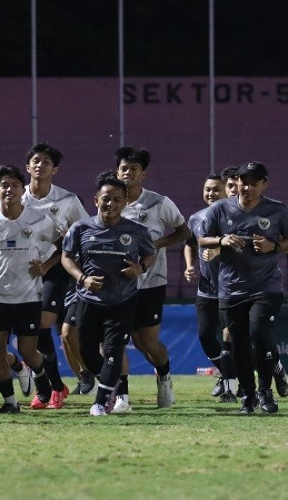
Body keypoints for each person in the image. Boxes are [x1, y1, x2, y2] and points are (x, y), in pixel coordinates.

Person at [199, 161, 288, 414]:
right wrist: (221, 240)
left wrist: (273, 246)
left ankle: (265, 391)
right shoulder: (221, 209)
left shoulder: (277, 210)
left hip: (266, 286)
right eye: (244, 182)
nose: (247, 188)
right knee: (239, 342)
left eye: (254, 183)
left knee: (259, 332)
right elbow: (201, 239)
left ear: (264, 184)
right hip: (231, 288)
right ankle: (249, 396)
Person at [61, 174, 156, 416]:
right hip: (88, 300)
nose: (111, 204)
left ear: (125, 202)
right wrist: (83, 279)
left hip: (123, 300)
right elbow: (66, 257)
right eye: (106, 199)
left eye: (117, 199)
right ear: (96, 200)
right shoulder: (81, 228)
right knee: (86, 351)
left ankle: (100, 402)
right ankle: (110, 386)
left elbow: (150, 254)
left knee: (113, 351)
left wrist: (141, 268)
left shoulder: (136, 231)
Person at [0, 165, 58, 414]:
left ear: (22, 189)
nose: (10, 189)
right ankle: (10, 402)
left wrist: (46, 266)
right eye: (5, 185)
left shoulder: (39, 219)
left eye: (15, 185)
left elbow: (62, 245)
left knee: (27, 351)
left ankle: (40, 374)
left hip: (28, 296)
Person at [114, 147, 191, 410]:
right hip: (118, 284)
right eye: (124, 168)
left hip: (151, 283)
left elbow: (184, 232)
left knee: (146, 342)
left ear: (143, 174)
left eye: (133, 169)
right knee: (115, 340)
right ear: (117, 172)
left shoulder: (158, 203)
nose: (128, 173)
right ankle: (121, 396)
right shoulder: (111, 202)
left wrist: (156, 244)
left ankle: (164, 376)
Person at [21, 143, 90, 409]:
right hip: (23, 271)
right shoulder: (17, 198)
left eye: (47, 162)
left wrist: (52, 262)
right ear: (28, 167)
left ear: (55, 170)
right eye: (36, 161)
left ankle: (56, 387)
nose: (40, 165)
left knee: (42, 322)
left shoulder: (67, 200)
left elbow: (84, 232)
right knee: (30, 330)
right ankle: (52, 386)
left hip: (57, 268)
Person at [183, 174, 238, 402]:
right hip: (206, 288)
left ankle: (231, 388)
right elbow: (189, 243)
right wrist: (189, 266)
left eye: (216, 189)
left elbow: (240, 247)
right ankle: (228, 374)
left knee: (228, 336)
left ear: (226, 191)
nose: (211, 193)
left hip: (231, 288)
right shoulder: (196, 218)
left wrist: (218, 250)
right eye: (207, 189)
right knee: (205, 336)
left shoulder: (234, 217)